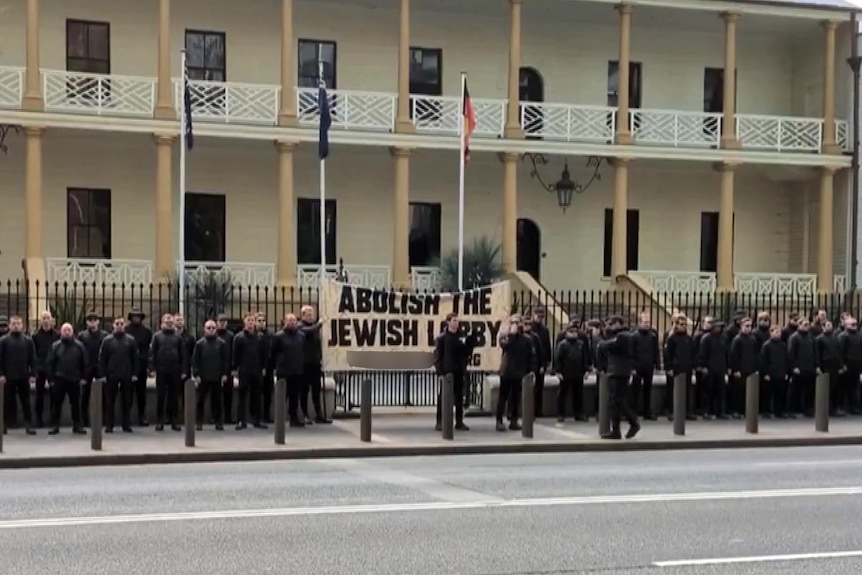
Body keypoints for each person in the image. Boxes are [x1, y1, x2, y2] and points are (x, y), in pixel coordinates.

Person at [433, 313, 476, 432]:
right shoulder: (441, 338)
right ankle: (440, 422)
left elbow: (466, 353)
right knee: (443, 398)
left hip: (459, 371)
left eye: (457, 320)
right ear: (448, 322)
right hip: (447, 372)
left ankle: (459, 421)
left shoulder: (461, 337)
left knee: (459, 398)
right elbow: (437, 357)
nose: (456, 323)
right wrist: (440, 372)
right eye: (454, 320)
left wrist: (470, 343)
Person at [599, 316, 640, 440]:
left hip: (619, 372)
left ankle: (627, 425)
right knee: (617, 402)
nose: (609, 326)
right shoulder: (621, 335)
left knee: (616, 402)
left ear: (618, 324)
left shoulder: (624, 336)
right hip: (617, 371)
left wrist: (601, 339)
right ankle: (623, 427)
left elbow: (607, 346)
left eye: (611, 324)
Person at [46, 323, 88, 435]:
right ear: (61, 332)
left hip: (74, 379)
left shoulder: (80, 346)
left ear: (72, 332)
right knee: (56, 404)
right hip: (59, 379)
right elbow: (50, 363)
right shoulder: (55, 346)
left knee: (76, 404)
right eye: (65, 330)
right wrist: (50, 379)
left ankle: (77, 425)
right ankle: (55, 426)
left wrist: (83, 377)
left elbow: (84, 363)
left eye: (69, 330)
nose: (67, 332)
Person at [99, 317, 139, 433]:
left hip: (127, 375)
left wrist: (135, 373)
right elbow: (102, 359)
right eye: (117, 323)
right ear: (113, 325)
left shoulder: (131, 340)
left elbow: (135, 359)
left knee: (127, 401)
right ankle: (109, 425)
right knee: (109, 401)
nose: (119, 325)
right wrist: (102, 374)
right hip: (111, 375)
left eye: (121, 323)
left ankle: (126, 424)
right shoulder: (107, 340)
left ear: (124, 325)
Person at [149, 313, 188, 431]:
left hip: (175, 370)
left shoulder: (178, 337)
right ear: (162, 323)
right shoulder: (157, 336)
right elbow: (152, 353)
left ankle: (174, 420)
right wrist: (152, 368)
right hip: (161, 370)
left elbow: (183, 355)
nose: (169, 321)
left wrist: (183, 370)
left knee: (174, 397)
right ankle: (160, 421)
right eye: (166, 320)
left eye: (170, 320)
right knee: (161, 396)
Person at [0, 316, 37, 435]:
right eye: (14, 323)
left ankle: (29, 424)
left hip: (23, 376)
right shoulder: (3, 341)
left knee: (26, 402)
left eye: (18, 323)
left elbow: (33, 359)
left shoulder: (28, 341)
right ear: (10, 325)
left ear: (22, 325)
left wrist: (33, 374)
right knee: (6, 402)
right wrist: (1, 374)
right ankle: (4, 425)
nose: (16, 325)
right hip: (8, 377)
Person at [496, 315, 534, 431]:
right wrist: (511, 334)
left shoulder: (527, 339)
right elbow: (505, 346)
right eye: (514, 323)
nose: (516, 325)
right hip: (507, 371)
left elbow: (531, 355)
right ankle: (499, 420)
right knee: (503, 397)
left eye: (518, 323)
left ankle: (514, 419)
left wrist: (530, 369)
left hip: (520, 371)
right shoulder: (505, 337)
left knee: (516, 397)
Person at [233, 313, 268, 430]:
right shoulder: (239, 337)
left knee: (257, 395)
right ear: (244, 323)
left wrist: (263, 368)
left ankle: (257, 419)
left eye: (252, 320)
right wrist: (235, 369)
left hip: (257, 369)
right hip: (244, 369)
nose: (250, 323)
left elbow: (264, 354)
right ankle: (241, 420)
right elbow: (235, 355)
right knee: (242, 395)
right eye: (248, 320)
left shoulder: (261, 337)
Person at [192, 320, 229, 431]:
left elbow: (225, 360)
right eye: (209, 328)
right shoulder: (199, 344)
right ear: (204, 329)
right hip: (203, 377)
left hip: (217, 376)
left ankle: (218, 422)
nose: (211, 330)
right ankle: (199, 422)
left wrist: (224, 374)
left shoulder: (221, 343)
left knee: (217, 401)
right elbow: (195, 360)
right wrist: (196, 374)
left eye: (213, 328)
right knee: (201, 401)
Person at [271, 313, 306, 427]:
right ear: (284, 322)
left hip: (297, 371)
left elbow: (303, 352)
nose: (291, 322)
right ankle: (280, 419)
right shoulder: (278, 336)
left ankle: (294, 418)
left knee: (294, 397)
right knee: (282, 397)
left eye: (293, 320)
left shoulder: (301, 336)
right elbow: (272, 354)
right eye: (289, 320)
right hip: (283, 371)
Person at [298, 306, 331, 425]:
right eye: (308, 314)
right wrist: (320, 324)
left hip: (315, 363)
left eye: (312, 313)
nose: (311, 316)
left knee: (316, 391)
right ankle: (305, 415)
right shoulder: (300, 325)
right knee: (304, 391)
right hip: (304, 364)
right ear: (303, 314)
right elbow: (309, 331)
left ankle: (319, 415)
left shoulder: (315, 328)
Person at [554, 321, 591, 422]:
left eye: (575, 331)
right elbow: (558, 358)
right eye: (571, 331)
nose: (574, 333)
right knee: (562, 394)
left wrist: (586, 370)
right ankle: (561, 414)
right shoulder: (562, 345)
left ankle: (578, 413)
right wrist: (558, 371)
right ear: (567, 333)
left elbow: (585, 358)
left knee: (578, 395)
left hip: (578, 373)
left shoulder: (581, 344)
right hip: (565, 373)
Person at [77, 313, 107, 428]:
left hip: (100, 369)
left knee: (104, 396)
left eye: (95, 320)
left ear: (98, 322)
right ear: (87, 322)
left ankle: (104, 420)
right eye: (90, 320)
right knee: (85, 395)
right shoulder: (82, 336)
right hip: (87, 369)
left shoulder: (104, 336)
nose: (93, 322)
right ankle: (83, 420)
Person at [664, 315, 696, 420]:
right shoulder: (671, 339)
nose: (684, 327)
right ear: (676, 325)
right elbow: (667, 354)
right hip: (675, 369)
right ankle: (671, 411)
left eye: (685, 325)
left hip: (686, 368)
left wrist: (692, 365)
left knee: (686, 390)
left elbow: (692, 353)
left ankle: (685, 411)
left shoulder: (688, 338)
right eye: (682, 324)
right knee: (672, 390)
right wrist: (668, 368)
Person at [125, 308, 153, 426]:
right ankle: (127, 418)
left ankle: (142, 417)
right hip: (128, 366)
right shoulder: (126, 330)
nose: (136, 318)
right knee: (128, 394)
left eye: (138, 316)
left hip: (142, 365)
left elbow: (149, 350)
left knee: (141, 393)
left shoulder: (147, 331)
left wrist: (149, 366)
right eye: (134, 316)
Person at [32, 311, 59, 428]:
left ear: (52, 320)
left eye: (48, 318)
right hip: (41, 369)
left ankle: (54, 420)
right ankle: (38, 419)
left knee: (55, 395)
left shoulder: (57, 335)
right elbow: (33, 354)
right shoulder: (35, 336)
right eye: (44, 318)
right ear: (41, 320)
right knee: (39, 395)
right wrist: (36, 367)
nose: (46, 320)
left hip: (54, 369)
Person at [630, 313, 659, 420]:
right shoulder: (634, 336)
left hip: (648, 366)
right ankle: (633, 412)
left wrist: (657, 365)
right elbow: (631, 352)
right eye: (645, 322)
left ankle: (647, 412)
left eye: (648, 322)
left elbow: (655, 351)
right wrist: (632, 367)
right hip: (637, 366)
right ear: (639, 323)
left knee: (648, 390)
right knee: (635, 391)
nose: (647, 324)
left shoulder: (652, 336)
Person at [729, 317, 759, 419]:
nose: (749, 328)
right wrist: (735, 369)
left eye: (750, 326)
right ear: (741, 326)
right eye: (746, 326)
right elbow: (734, 356)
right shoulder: (737, 339)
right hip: (740, 370)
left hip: (750, 369)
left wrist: (755, 368)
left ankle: (746, 411)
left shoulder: (753, 339)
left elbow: (755, 355)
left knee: (749, 392)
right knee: (738, 392)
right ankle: (736, 411)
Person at [698, 320, 729, 419]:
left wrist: (727, 367)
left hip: (720, 368)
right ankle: (706, 411)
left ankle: (720, 411)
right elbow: (702, 354)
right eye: (717, 327)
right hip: (709, 368)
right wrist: (703, 366)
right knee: (708, 391)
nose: (719, 329)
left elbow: (726, 354)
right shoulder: (706, 338)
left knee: (720, 391)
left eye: (721, 327)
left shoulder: (723, 338)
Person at [788, 318, 818, 417]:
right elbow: (791, 353)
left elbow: (815, 352)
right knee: (796, 390)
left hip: (809, 367)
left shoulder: (811, 337)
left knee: (810, 390)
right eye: (805, 325)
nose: (807, 326)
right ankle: (792, 409)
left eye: (808, 325)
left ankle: (808, 409)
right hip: (799, 368)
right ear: (799, 325)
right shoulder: (794, 337)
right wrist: (794, 366)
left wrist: (816, 365)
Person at [760, 324, 790, 419]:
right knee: (768, 394)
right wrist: (765, 373)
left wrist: (786, 372)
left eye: (779, 332)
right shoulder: (766, 345)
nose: (778, 334)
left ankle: (779, 411)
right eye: (776, 332)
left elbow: (786, 359)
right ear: (771, 333)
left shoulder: (783, 345)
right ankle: (766, 411)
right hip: (770, 373)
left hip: (781, 372)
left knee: (780, 393)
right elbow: (763, 361)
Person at [530, 306, 552, 418]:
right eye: (538, 316)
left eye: (542, 316)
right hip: (530, 362)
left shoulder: (544, 330)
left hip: (540, 362)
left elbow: (547, 346)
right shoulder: (530, 329)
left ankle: (538, 410)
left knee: (539, 387)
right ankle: (530, 410)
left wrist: (546, 362)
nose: (540, 318)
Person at [816, 320, 842, 416]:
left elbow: (839, 352)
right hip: (825, 365)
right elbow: (818, 354)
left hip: (835, 365)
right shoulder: (819, 339)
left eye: (830, 325)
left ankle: (833, 408)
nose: (829, 327)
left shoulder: (835, 338)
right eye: (827, 325)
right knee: (826, 388)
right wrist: (818, 366)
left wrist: (840, 365)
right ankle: (825, 408)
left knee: (835, 387)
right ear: (823, 327)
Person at [838, 315, 862, 415]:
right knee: (844, 386)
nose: (855, 326)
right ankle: (844, 406)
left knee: (854, 386)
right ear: (846, 325)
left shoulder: (859, 335)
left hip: (857, 363)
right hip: (847, 363)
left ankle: (854, 406)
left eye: (856, 324)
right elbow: (840, 352)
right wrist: (842, 364)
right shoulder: (843, 336)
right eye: (852, 324)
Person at [215, 314, 236, 424]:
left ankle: (228, 416)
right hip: (215, 369)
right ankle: (215, 417)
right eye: (220, 321)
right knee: (216, 395)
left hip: (227, 369)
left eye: (224, 321)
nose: (222, 323)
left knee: (228, 395)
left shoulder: (231, 336)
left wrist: (233, 368)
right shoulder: (213, 334)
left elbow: (233, 352)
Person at [256, 312, 276, 423]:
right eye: (259, 321)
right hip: (256, 368)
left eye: (263, 321)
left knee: (268, 393)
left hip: (268, 368)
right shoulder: (253, 335)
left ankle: (266, 415)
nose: (262, 323)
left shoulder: (270, 336)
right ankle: (256, 415)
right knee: (257, 393)